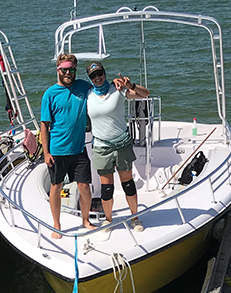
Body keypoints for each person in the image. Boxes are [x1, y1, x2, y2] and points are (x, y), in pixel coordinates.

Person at [85, 62, 150, 232]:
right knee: (107, 188)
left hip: (122, 144)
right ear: (89, 79)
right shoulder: (88, 94)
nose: (97, 78)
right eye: (93, 76)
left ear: (104, 73)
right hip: (101, 147)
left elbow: (144, 94)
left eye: (100, 73)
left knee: (128, 184)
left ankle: (134, 218)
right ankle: (108, 220)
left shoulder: (118, 89)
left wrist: (130, 85)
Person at [40, 54, 95, 239]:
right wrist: (46, 153)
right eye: (64, 69)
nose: (68, 73)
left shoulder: (82, 87)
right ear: (58, 70)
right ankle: (56, 224)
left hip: (79, 149)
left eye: (71, 69)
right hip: (57, 151)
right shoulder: (50, 94)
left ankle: (86, 220)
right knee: (56, 186)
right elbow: (44, 126)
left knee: (85, 186)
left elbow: (101, 88)